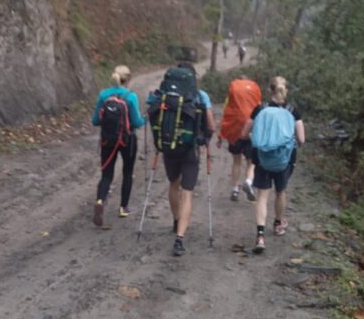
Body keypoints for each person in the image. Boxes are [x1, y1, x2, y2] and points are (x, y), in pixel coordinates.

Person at [147, 63, 216, 256]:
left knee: (173, 184)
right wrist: (205, 137)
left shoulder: (162, 94)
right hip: (190, 150)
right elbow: (210, 125)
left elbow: (150, 114)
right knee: (187, 192)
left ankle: (176, 219)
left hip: (169, 147)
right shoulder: (201, 96)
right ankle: (180, 238)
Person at [241, 76, 305, 253]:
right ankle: (278, 224)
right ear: (287, 91)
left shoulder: (260, 109)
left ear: (270, 91)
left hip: (262, 157)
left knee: (262, 195)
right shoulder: (293, 111)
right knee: (280, 191)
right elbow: (301, 139)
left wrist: (256, 137)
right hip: (285, 158)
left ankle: (260, 236)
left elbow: (244, 133)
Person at [91, 65, 145, 226]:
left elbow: (95, 120)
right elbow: (136, 122)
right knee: (127, 173)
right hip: (127, 140)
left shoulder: (103, 95)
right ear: (127, 79)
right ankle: (123, 207)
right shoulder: (130, 96)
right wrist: (145, 119)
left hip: (107, 140)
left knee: (106, 174)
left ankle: (100, 201)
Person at [216, 77, 262, 202]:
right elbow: (259, 110)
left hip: (235, 130)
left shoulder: (233, 93)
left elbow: (227, 112)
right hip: (250, 130)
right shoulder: (254, 92)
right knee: (251, 161)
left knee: (236, 161)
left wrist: (221, 134)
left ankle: (235, 189)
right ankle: (249, 182)